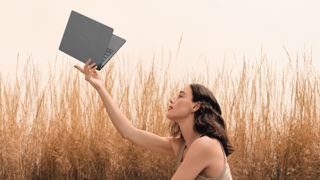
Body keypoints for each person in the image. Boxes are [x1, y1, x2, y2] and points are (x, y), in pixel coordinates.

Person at [75, 59, 234, 180]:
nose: (172, 100)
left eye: (180, 96)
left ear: (195, 106)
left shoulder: (205, 145)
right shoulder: (180, 146)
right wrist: (100, 87)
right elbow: (129, 132)